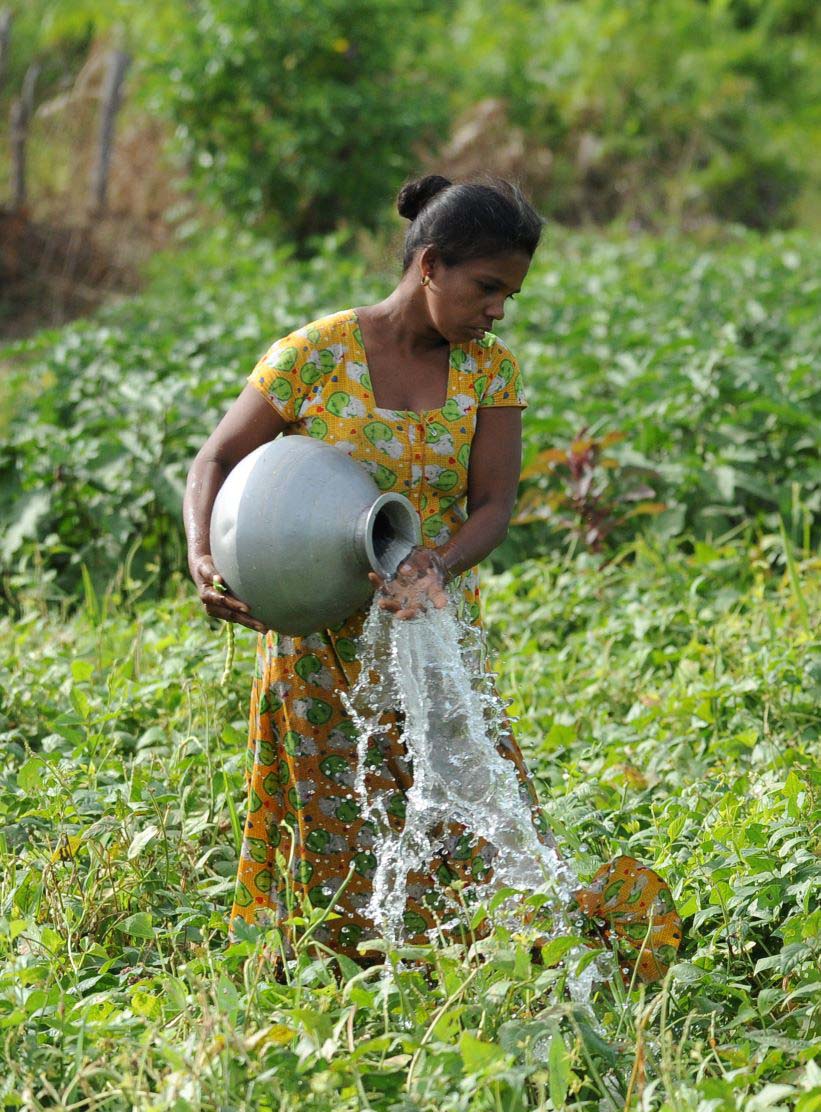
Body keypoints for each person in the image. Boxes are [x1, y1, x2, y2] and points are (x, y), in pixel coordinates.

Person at [183, 174, 682, 979]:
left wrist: (433, 565)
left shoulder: (489, 373)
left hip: (429, 624)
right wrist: (204, 557)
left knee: (473, 799)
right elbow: (216, 459)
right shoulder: (313, 356)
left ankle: (493, 964)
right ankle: (344, 979)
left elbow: (491, 504)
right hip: (316, 635)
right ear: (430, 266)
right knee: (327, 807)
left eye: (509, 295)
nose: (497, 310)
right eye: (486, 288)